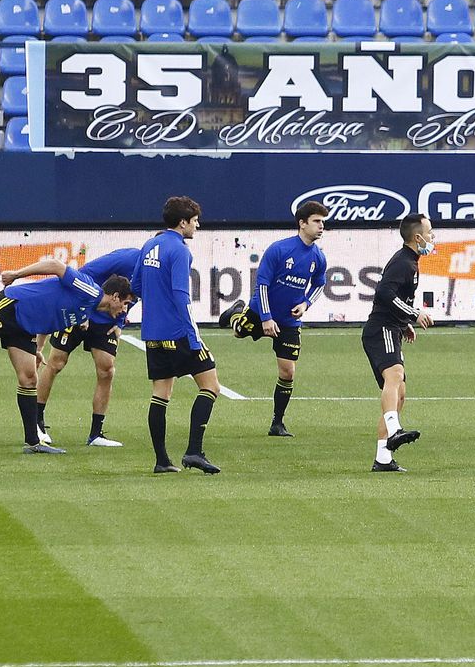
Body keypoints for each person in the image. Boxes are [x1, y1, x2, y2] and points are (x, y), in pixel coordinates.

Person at [0, 260, 136, 454]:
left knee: (29, 379)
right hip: (11, 306)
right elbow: (54, 265)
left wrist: (39, 348)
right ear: (115, 297)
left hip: (24, 328)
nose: (125, 310)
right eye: (126, 303)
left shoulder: (86, 311)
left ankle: (33, 441)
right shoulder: (90, 291)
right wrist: (15, 275)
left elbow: (49, 313)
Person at [134, 196, 224, 474]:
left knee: (160, 394)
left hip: (152, 333)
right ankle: (194, 451)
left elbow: (136, 285)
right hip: (179, 332)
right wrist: (194, 335)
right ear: (183, 222)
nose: (197, 225)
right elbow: (181, 295)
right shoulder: (180, 250)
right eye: (195, 220)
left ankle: (162, 461)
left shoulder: (150, 244)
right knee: (210, 386)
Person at [224, 201, 330, 437]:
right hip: (261, 312)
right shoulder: (279, 249)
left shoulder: (318, 258)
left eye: (323, 222)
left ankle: (277, 423)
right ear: (302, 224)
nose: (321, 226)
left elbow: (320, 284)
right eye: (316, 221)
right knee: (239, 332)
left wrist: (305, 304)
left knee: (288, 372)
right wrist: (266, 317)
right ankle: (234, 314)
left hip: (289, 322)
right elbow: (261, 284)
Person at [20, 245, 141, 448]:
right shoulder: (127, 258)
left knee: (107, 369)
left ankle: (96, 434)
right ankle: (37, 423)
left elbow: (133, 299)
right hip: (80, 313)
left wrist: (119, 322)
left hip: (107, 319)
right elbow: (85, 274)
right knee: (56, 363)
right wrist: (83, 308)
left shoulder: (154, 270)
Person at [360, 213, 435, 473]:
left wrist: (405, 324)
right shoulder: (404, 263)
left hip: (391, 327)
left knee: (399, 393)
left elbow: (393, 297)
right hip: (380, 329)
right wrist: (414, 313)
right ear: (418, 237)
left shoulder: (411, 261)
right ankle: (394, 429)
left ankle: (383, 458)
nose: (432, 237)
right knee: (395, 375)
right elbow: (384, 293)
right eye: (430, 232)